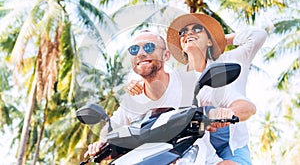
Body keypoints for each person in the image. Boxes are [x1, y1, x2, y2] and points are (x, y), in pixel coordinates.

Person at [83, 30, 238, 164]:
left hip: (195, 156)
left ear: (166, 55)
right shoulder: (132, 99)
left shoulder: (189, 83)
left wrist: (225, 112)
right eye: (134, 49)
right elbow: (112, 127)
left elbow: (241, 105)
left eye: (149, 47)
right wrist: (100, 144)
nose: (141, 53)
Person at [166, 13, 268, 164]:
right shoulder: (177, 80)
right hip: (198, 146)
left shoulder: (229, 60)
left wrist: (218, 40)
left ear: (209, 40)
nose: (189, 33)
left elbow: (258, 35)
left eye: (197, 28)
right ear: (181, 45)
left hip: (232, 144)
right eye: (183, 32)